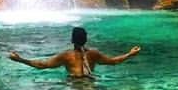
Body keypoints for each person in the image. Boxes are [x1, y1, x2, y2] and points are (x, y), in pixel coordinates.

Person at [8, 27, 140, 78]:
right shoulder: (93, 54)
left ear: (71, 40)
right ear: (86, 39)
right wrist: (130, 54)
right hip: (90, 82)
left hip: (74, 84)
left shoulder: (66, 56)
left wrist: (20, 59)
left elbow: (43, 65)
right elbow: (113, 62)